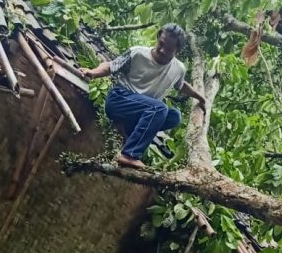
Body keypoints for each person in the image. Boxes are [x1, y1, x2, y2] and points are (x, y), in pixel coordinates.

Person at [81, 23, 206, 164]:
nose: (163, 50)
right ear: (158, 37)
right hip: (119, 100)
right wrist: (92, 73)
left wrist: (200, 98)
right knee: (159, 108)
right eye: (161, 44)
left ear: (178, 51)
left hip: (141, 111)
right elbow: (111, 66)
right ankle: (129, 155)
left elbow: (181, 85)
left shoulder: (179, 69)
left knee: (174, 117)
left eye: (169, 49)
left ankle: (127, 127)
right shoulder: (137, 53)